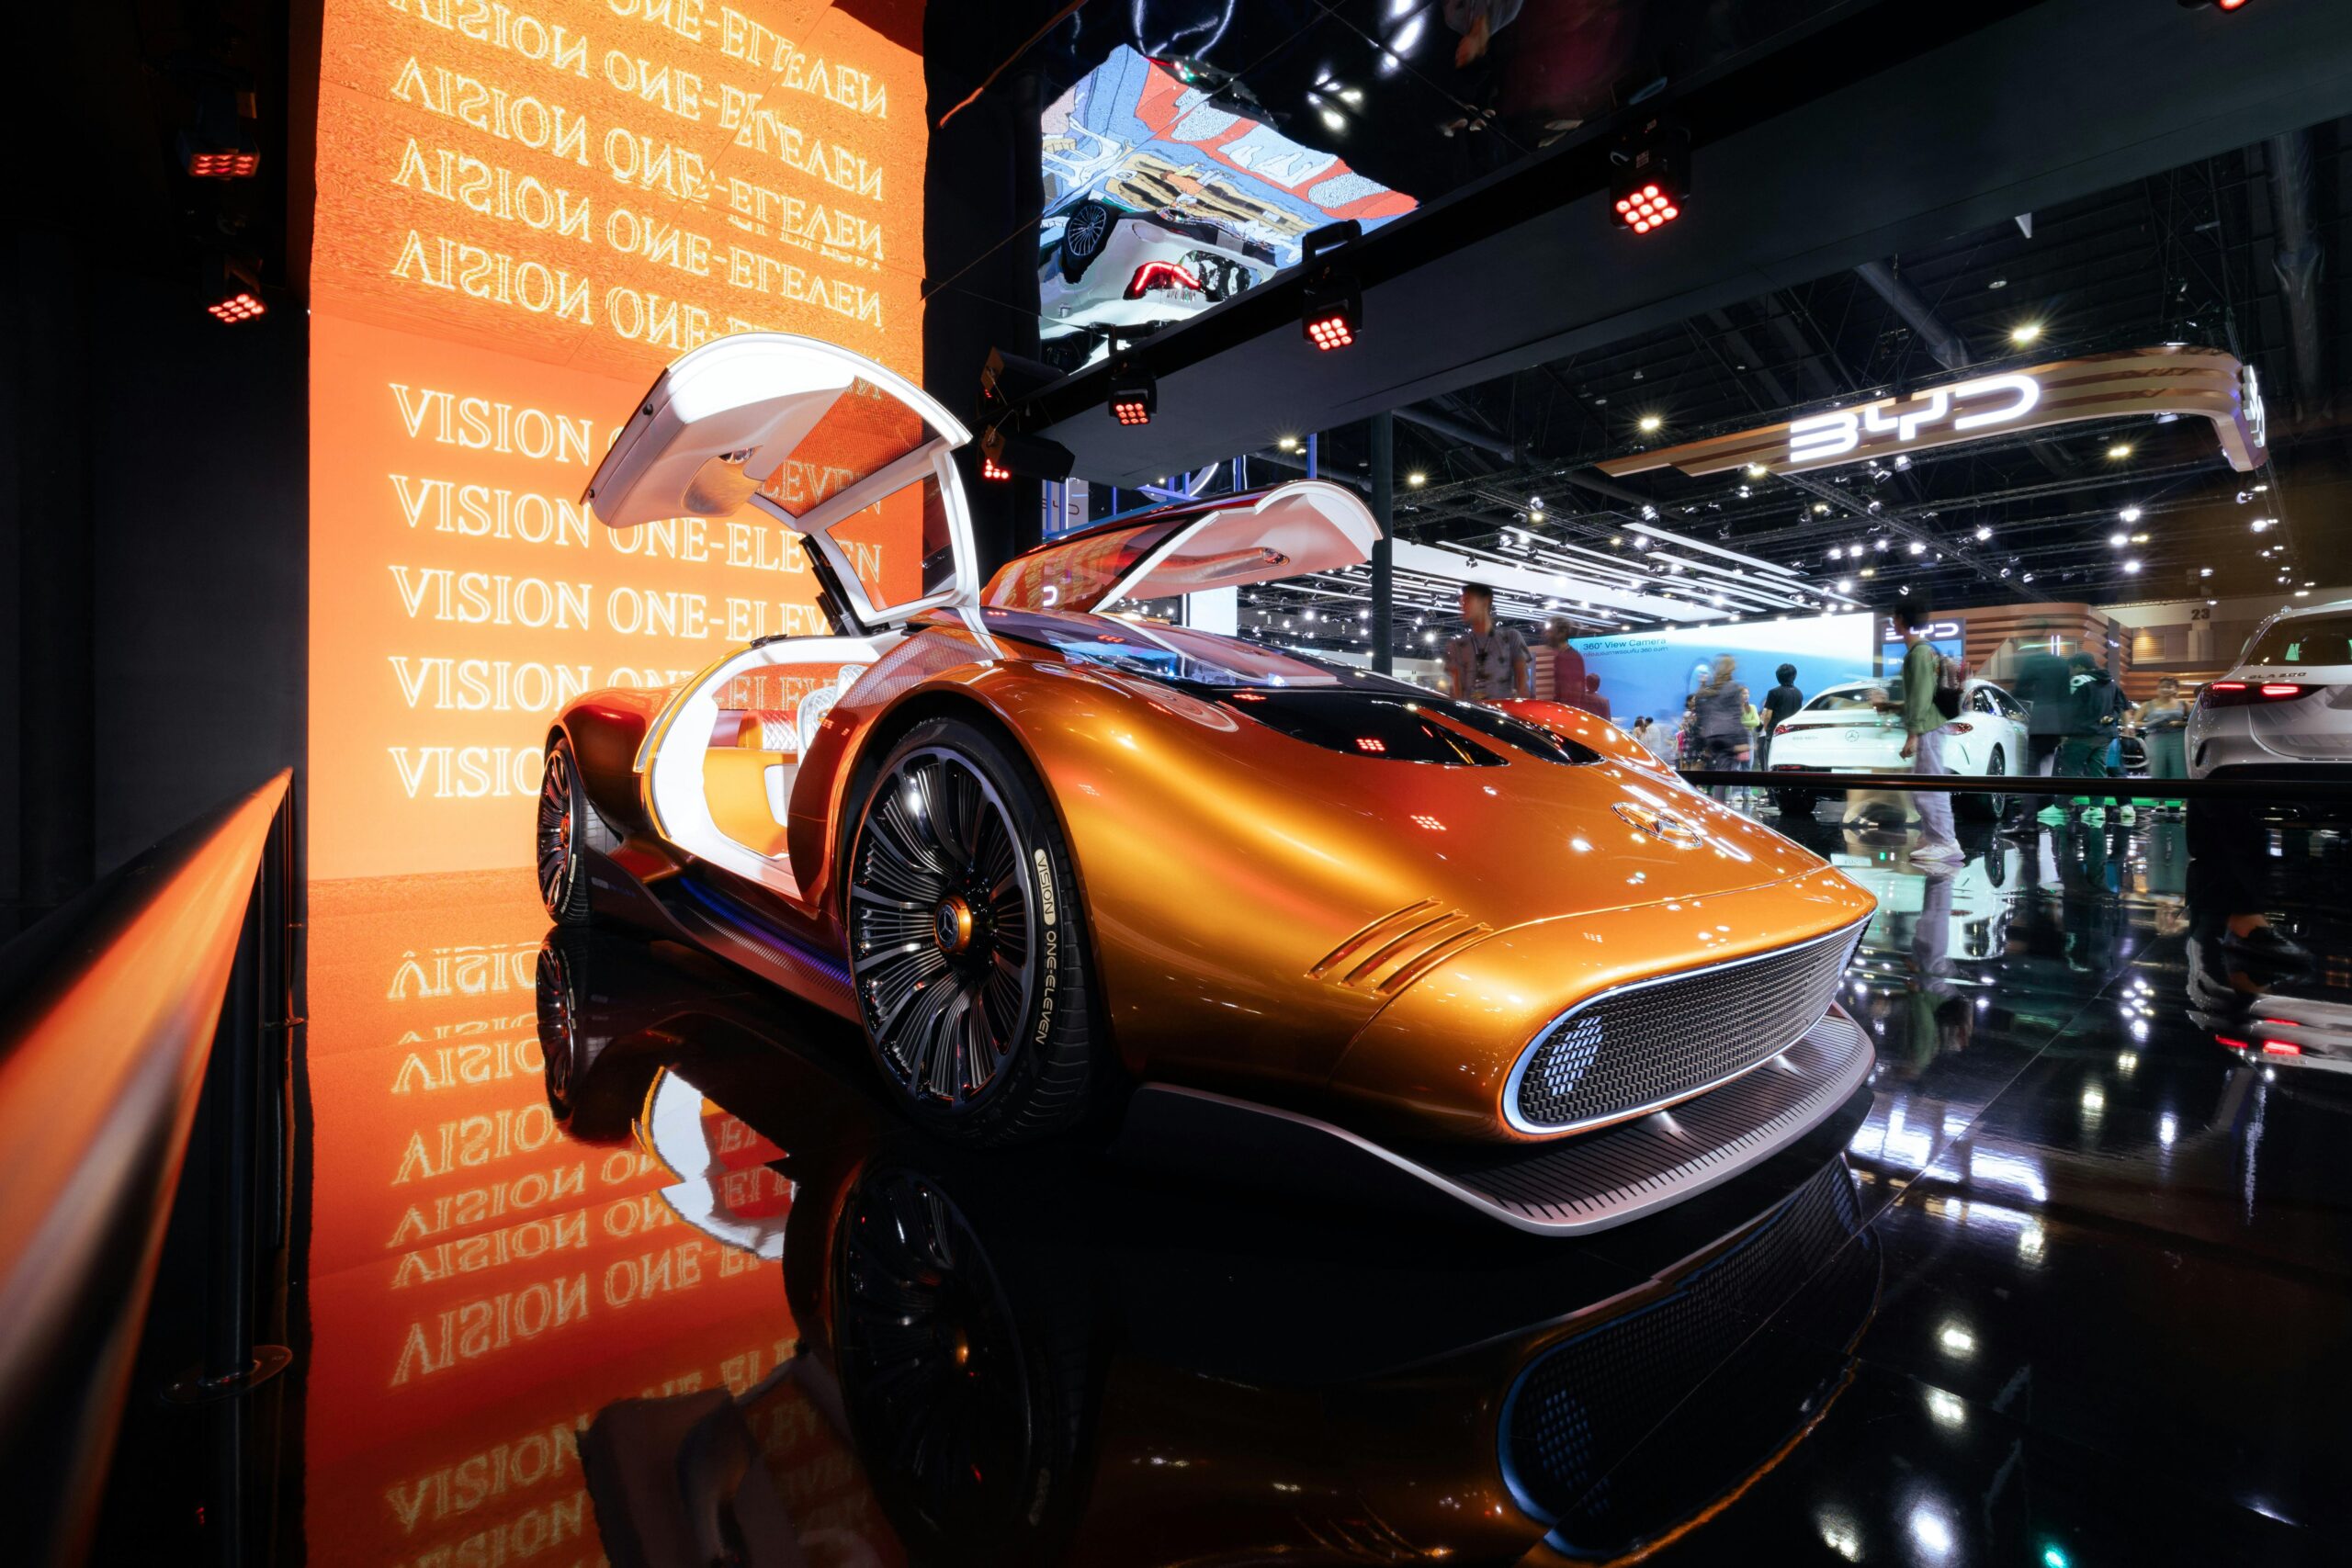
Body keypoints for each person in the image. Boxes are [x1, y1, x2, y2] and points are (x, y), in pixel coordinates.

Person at [1899, 622, 1964, 863]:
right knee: (1926, 785)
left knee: (1929, 787)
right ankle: (1934, 837)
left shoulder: (1919, 653)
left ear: (1900, 619)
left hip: (1927, 726)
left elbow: (1921, 694)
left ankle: (1944, 842)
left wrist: (1913, 732)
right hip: (1932, 724)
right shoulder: (1928, 650)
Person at [2053, 653, 2128, 825]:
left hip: (2080, 733)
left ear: (2079, 666)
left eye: (2071, 668)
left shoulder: (2077, 681)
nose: (2070, 672)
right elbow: (2120, 706)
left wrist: (2063, 733)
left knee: (2070, 772)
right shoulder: (2110, 682)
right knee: (2098, 773)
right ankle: (2096, 808)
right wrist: (2112, 717)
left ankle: (2060, 807)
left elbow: (2068, 709)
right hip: (2104, 735)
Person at [1443, 583, 1530, 700]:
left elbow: (1522, 683)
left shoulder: (1511, 638)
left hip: (1502, 709)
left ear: (1485, 602)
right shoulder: (1456, 646)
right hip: (1469, 710)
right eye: (1461, 602)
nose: (1462, 606)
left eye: (1467, 600)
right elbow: (1456, 689)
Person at [2013, 635, 2072, 775]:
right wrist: (2065, 730)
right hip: (2055, 726)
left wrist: (2034, 694)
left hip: (2038, 722)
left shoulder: (2032, 661)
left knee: (2032, 766)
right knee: (2048, 762)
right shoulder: (2061, 663)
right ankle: (2046, 787)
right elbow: (2065, 699)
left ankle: (2033, 788)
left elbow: (2020, 691)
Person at [1691, 656, 1748, 796]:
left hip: (1711, 736)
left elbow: (1702, 715)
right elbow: (1736, 715)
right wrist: (1743, 741)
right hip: (1728, 736)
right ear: (1730, 669)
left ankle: (1713, 801)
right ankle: (1719, 804)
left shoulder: (1710, 689)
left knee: (1719, 770)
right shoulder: (1733, 687)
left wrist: (1702, 740)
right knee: (1724, 773)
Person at [2136, 675, 2190, 812]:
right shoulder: (2147, 705)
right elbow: (2136, 722)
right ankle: (2160, 801)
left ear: (2176, 689)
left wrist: (2180, 723)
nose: (2165, 689)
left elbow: (2193, 721)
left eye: (2169, 687)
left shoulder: (2184, 703)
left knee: (2181, 768)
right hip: (2156, 738)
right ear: (2157, 689)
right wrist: (2151, 723)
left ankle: (2184, 802)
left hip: (2178, 737)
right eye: (2162, 687)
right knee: (2158, 768)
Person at [1758, 663, 1804, 771]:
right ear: (1794, 676)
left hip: (1775, 732)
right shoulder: (1799, 693)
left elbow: (1768, 714)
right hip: (1792, 732)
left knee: (1770, 762)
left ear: (1778, 676)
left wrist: (1765, 728)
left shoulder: (1774, 692)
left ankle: (1771, 781)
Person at [1539, 619, 1585, 705]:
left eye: (1550, 631)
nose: (1546, 635)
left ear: (1561, 633)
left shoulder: (1570, 657)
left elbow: (1575, 691)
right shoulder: (1562, 656)